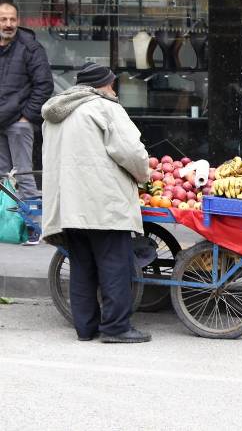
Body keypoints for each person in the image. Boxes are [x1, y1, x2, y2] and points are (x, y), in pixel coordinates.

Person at [41, 62, 152, 344]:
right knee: (114, 265)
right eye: (112, 83)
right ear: (101, 85)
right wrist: (145, 176)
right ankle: (116, 328)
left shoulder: (55, 113)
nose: (114, 89)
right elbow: (131, 152)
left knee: (82, 267)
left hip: (69, 205)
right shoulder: (104, 107)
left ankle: (85, 328)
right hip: (103, 203)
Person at [0, 1, 53, 245]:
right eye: (3, 19)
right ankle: (8, 225)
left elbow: (44, 86)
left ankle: (34, 225)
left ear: (18, 20)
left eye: (12, 19)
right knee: (2, 178)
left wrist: (26, 117)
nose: (8, 24)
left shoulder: (30, 47)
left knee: (23, 174)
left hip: (18, 123)